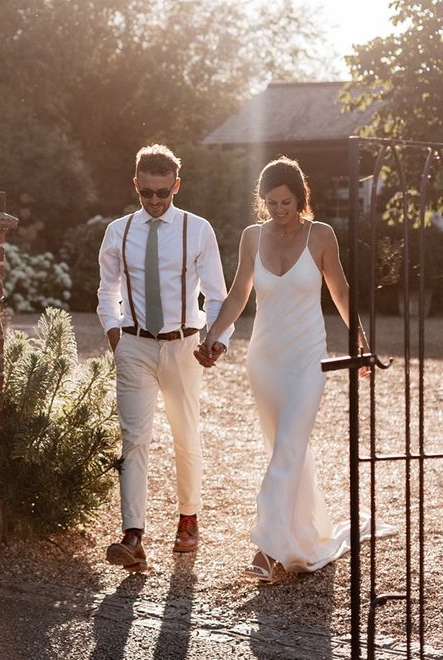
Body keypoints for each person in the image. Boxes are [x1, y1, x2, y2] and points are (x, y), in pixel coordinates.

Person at [196, 156, 393, 582]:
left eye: (286, 202)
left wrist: (358, 339)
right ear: (262, 201)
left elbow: (340, 290)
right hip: (264, 359)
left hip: (308, 357)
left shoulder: (320, 235)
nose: (278, 210)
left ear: (299, 198)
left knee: (288, 446)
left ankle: (267, 550)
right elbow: (236, 296)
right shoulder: (252, 237)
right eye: (270, 203)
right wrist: (213, 335)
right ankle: (300, 536)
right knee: (286, 451)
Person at [97, 144, 232, 572]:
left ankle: (188, 518)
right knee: (133, 438)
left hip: (184, 344)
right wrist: (117, 337)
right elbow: (107, 291)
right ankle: (132, 534)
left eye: (163, 193)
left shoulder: (198, 230)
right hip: (134, 344)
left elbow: (217, 294)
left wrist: (216, 339)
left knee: (184, 434)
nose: (155, 202)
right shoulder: (118, 231)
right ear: (136, 185)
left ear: (176, 185)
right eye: (147, 193)